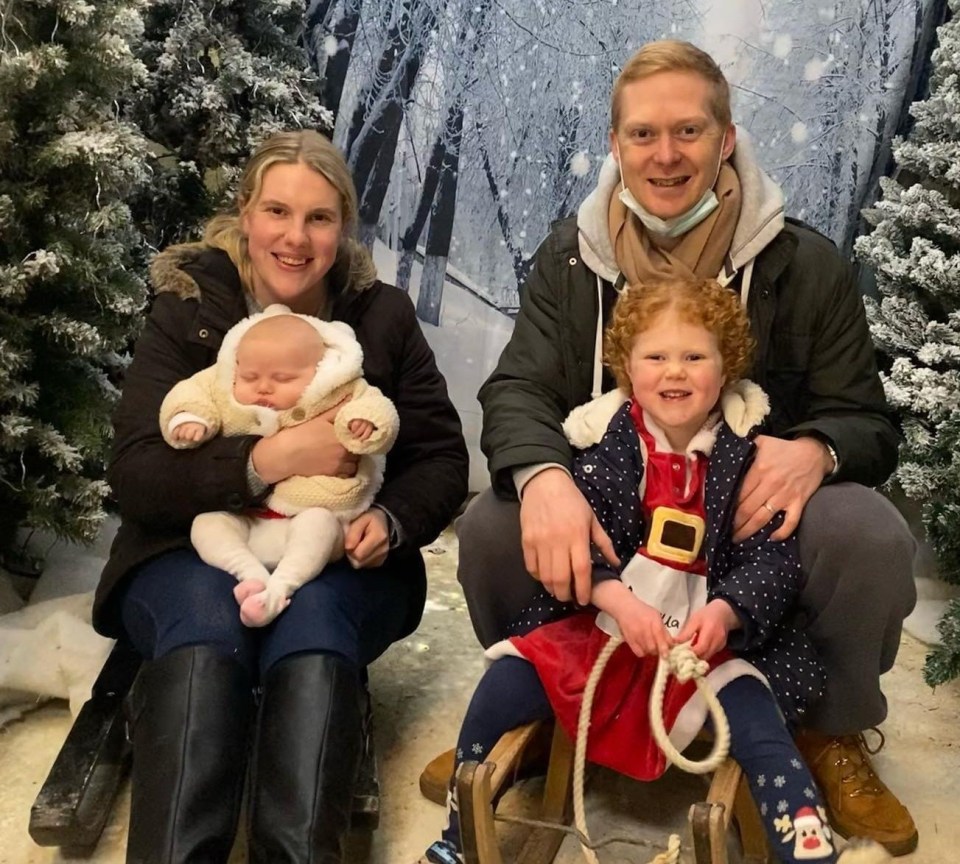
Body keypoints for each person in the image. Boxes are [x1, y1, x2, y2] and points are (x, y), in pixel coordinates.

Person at [444, 40, 918, 855]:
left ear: (726, 139)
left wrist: (815, 449)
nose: (665, 156)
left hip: (747, 514)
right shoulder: (569, 258)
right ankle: (529, 712)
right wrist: (546, 477)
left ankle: (826, 733)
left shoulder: (805, 264)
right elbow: (516, 389)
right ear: (616, 144)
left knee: (868, 533)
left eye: (689, 132)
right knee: (495, 522)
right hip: (616, 506)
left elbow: (868, 421)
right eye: (643, 135)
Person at [421, 278, 891, 864]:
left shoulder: (748, 454)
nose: (675, 373)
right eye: (657, 357)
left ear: (727, 368)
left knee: (762, 726)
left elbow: (773, 558)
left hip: (705, 647)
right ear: (627, 367)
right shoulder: (603, 448)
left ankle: (808, 849)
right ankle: (458, 837)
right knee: (503, 683)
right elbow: (580, 544)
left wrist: (725, 613)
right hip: (604, 629)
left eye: (695, 356)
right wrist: (619, 603)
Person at [93, 129, 468, 863]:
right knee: (207, 625)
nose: (296, 238)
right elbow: (135, 470)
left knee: (314, 626)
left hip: (331, 553)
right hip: (188, 546)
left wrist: (391, 521)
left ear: (344, 228)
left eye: (320, 218)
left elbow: (441, 459)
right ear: (245, 214)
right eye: (277, 212)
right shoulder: (189, 305)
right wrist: (266, 460)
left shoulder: (380, 317)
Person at [160, 306, 399, 627]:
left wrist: (365, 423)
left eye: (282, 378)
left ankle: (281, 587)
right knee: (206, 525)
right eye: (250, 377)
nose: (263, 388)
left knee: (318, 526)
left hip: (310, 514)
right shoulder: (223, 381)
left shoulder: (338, 389)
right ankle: (251, 575)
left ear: (321, 371)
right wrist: (189, 417)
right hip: (246, 517)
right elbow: (191, 392)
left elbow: (377, 406)